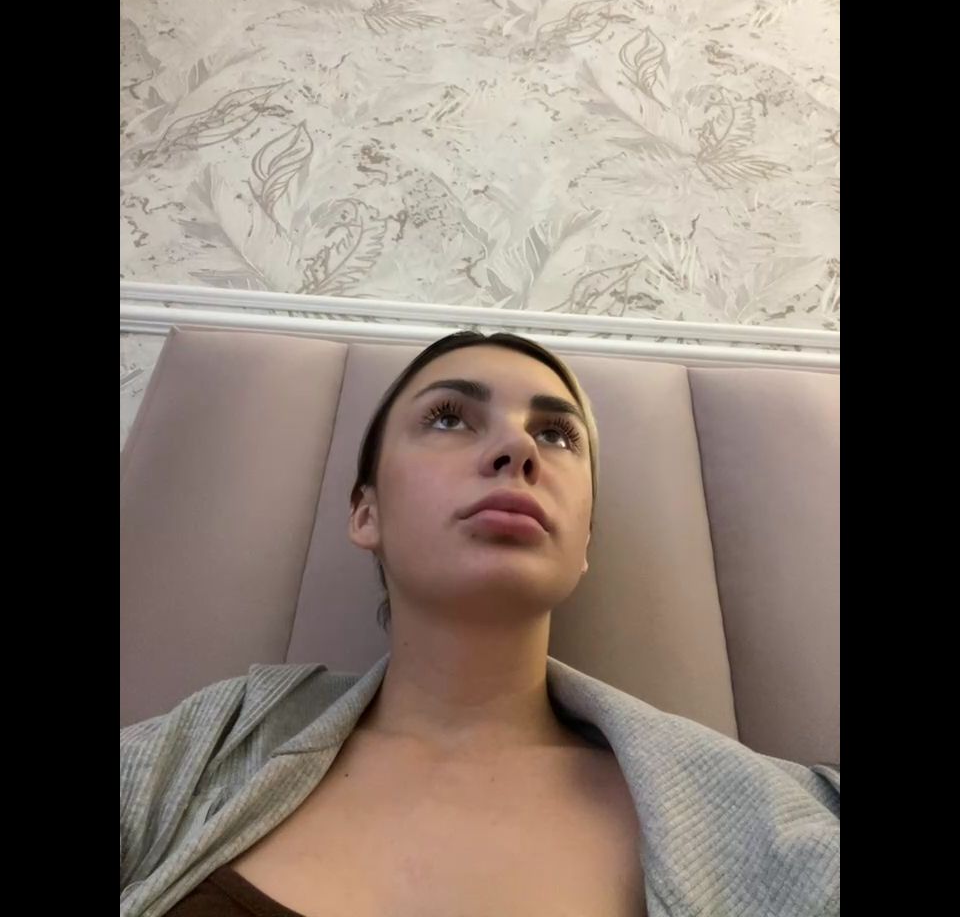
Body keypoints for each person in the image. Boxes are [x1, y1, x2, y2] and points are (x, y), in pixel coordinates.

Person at [121, 331, 840, 917]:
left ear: (584, 541)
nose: (518, 449)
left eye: (556, 434)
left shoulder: (763, 816)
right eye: (447, 418)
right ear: (365, 513)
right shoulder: (205, 753)